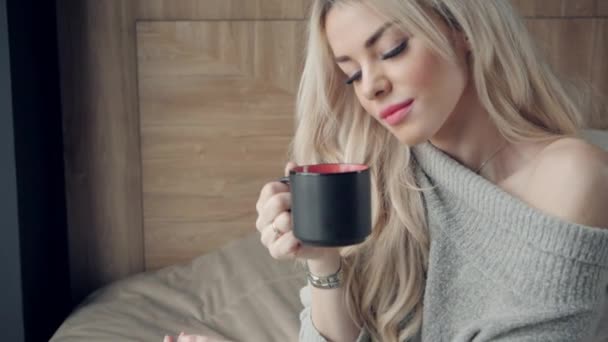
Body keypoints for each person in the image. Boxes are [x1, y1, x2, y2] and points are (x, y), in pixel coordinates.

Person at [255, 0, 608, 341]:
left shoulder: (572, 176)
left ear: (463, 30)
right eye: (353, 75)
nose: (370, 87)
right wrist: (323, 262)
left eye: (392, 50)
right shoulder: (383, 186)